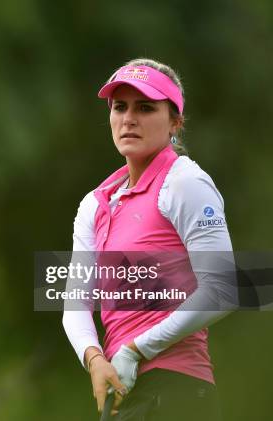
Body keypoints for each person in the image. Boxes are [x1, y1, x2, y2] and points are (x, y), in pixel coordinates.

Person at [62, 58, 236, 420]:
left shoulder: (185, 182)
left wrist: (135, 349)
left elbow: (223, 291)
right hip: (124, 392)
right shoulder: (95, 204)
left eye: (145, 108)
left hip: (179, 391)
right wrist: (95, 359)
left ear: (175, 121)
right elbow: (76, 304)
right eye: (120, 107)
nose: (129, 118)